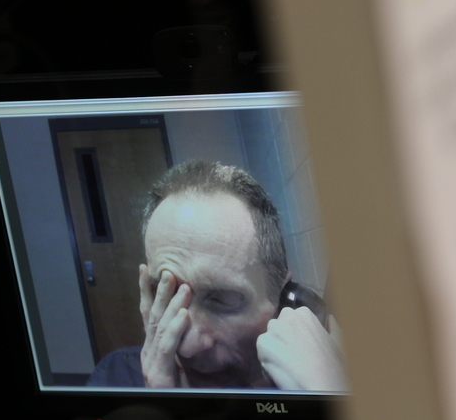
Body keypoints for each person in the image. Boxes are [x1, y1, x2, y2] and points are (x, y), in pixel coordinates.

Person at [87, 160, 346, 391]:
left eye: (222, 301)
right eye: (166, 296)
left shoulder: (329, 381)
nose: (188, 347)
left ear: (285, 300)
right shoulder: (114, 379)